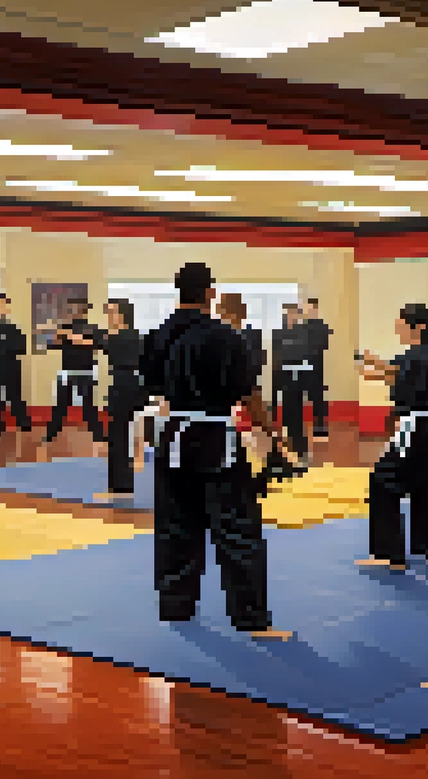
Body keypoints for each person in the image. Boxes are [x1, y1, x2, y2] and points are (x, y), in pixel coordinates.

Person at [142, 262, 290, 641]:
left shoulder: (158, 334)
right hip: (214, 438)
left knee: (176, 524)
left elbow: (154, 387)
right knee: (237, 528)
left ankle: (175, 606)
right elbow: (247, 393)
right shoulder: (225, 337)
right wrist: (272, 432)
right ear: (209, 292)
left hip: (173, 437)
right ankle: (251, 618)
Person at [356, 304, 428, 569]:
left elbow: (398, 375)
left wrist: (375, 369)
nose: (398, 328)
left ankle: (389, 553)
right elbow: (400, 375)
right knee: (422, 485)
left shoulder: (417, 356)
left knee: (383, 481)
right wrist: (376, 369)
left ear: (418, 327)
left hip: (418, 427)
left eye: (401, 323)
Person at [41, 298, 105, 454]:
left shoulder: (92, 328)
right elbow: (51, 344)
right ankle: (51, 433)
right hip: (67, 372)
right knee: (61, 405)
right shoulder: (63, 328)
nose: (75, 311)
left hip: (86, 372)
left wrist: (69, 336)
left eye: (79, 308)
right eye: (72, 308)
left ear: (85, 310)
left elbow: (95, 344)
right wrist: (54, 335)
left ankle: (98, 434)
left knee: (89, 406)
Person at [99, 299, 144, 498]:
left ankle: (120, 485)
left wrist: (65, 334)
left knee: (118, 434)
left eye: (112, 312)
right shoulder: (138, 337)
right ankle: (122, 483)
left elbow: (91, 341)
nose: (109, 317)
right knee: (125, 434)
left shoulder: (116, 338)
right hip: (135, 385)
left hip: (123, 385)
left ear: (123, 315)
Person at [0, 292, 32, 439]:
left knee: (14, 395)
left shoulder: (13, 328)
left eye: (3, 305)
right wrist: (2, 345)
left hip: (11, 366)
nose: (0, 308)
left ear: (7, 308)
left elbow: (21, 347)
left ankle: (22, 422)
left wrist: (1, 345)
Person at [272, 303, 312, 463]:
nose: (292, 316)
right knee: (281, 418)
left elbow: (305, 352)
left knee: (296, 417)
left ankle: (300, 450)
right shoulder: (278, 332)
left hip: (298, 378)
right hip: (281, 376)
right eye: (289, 313)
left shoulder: (303, 333)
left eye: (294, 313)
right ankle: (283, 452)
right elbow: (277, 354)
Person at [303, 298, 332, 438]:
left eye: (312, 309)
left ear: (316, 309)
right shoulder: (301, 327)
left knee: (317, 398)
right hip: (302, 366)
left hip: (316, 367)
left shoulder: (322, 326)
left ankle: (320, 425)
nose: (310, 311)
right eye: (307, 309)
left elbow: (324, 345)